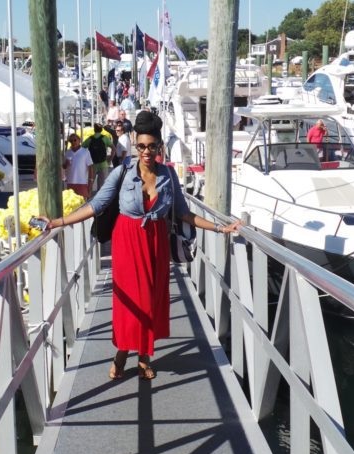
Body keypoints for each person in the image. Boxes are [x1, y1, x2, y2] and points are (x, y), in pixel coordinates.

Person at [39, 111, 241, 380]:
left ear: (159, 146)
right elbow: (96, 205)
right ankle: (122, 352)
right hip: (127, 241)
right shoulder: (122, 172)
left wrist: (219, 227)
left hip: (156, 243)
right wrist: (58, 222)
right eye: (142, 146)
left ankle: (144, 356)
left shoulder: (169, 175)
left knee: (151, 301)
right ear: (135, 144)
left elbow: (183, 213)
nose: (146, 151)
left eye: (152, 146)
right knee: (130, 302)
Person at [82, 123, 115, 190]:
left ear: (94, 129)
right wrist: (110, 159)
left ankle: (89, 195)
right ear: (101, 130)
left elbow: (81, 148)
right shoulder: (105, 138)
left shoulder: (90, 139)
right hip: (103, 163)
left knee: (90, 183)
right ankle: (99, 196)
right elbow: (114, 149)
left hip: (92, 163)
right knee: (102, 185)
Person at [64, 133, 94, 199]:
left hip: (82, 183)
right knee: (70, 203)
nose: (73, 142)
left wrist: (91, 182)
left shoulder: (85, 152)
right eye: (71, 141)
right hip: (70, 183)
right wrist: (66, 164)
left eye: (75, 140)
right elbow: (64, 167)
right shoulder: (68, 152)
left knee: (82, 203)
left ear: (79, 140)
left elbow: (90, 167)